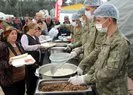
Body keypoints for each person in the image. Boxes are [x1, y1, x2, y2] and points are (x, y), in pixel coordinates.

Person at [69, 4, 130, 95]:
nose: (96, 23)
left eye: (98, 20)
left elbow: (109, 72)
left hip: (114, 91)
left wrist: (85, 79)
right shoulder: (107, 37)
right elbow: (99, 60)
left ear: (109, 20)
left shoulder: (120, 42)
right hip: (102, 88)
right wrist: (88, 72)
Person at [0, 27, 25, 95]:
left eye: (16, 33)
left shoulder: (18, 44)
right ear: (7, 35)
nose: (15, 35)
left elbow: (22, 56)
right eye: (12, 34)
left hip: (21, 79)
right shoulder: (2, 46)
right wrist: (8, 63)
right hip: (9, 81)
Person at [21, 22, 41, 95]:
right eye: (35, 29)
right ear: (30, 29)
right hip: (29, 62)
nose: (36, 30)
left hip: (36, 61)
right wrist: (37, 46)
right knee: (30, 80)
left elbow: (39, 45)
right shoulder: (25, 36)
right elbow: (25, 47)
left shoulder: (35, 37)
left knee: (35, 79)